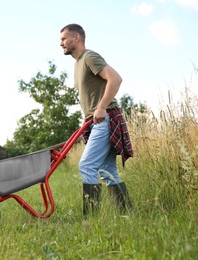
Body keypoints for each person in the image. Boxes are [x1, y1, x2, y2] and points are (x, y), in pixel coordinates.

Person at [59, 24, 133, 215]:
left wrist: (100, 107)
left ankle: (90, 219)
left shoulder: (89, 57)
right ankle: (128, 213)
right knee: (107, 170)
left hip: (105, 118)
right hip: (95, 121)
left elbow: (115, 79)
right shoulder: (77, 64)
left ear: (76, 37)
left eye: (64, 39)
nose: (61, 43)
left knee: (87, 165)